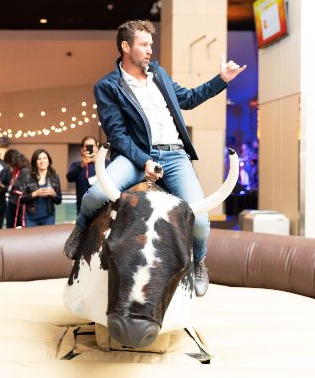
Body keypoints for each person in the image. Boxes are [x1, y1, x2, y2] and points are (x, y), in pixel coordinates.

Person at [64, 20, 246, 297]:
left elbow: (189, 98)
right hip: (135, 156)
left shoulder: (159, 73)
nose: (150, 50)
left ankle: (198, 262)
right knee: (95, 195)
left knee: (199, 219)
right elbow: (118, 134)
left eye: (151, 44)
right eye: (144, 44)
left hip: (174, 156)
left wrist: (221, 80)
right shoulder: (108, 86)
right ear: (126, 46)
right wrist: (144, 161)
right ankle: (80, 230)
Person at [66, 136, 110, 213]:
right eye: (87, 146)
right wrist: (81, 166)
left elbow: (112, 178)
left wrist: (99, 161)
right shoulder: (77, 165)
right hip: (83, 208)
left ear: (97, 148)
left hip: (103, 207)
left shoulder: (106, 162)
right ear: (82, 150)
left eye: (92, 146)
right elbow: (69, 178)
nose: (90, 148)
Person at [19, 149, 62, 227]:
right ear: (35, 162)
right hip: (31, 217)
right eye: (39, 159)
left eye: (45, 158)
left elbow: (59, 201)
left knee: (48, 239)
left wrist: (54, 194)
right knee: (31, 239)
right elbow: (21, 199)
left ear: (49, 160)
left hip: (48, 217)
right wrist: (35, 194)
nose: (42, 161)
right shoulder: (28, 177)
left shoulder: (54, 178)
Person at [3, 150, 30, 228]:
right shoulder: (16, 171)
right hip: (14, 202)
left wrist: (6, 187)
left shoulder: (24, 171)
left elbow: (21, 188)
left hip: (19, 205)